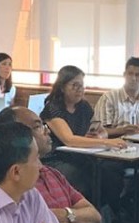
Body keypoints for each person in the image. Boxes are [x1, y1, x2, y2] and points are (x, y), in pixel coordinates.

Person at [0, 106, 102, 223]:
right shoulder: (17, 185)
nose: (47, 131)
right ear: (17, 136)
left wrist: (64, 214)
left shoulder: (53, 174)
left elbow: (95, 216)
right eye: (38, 127)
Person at [40, 65, 126, 199]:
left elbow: (101, 130)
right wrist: (106, 142)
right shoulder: (53, 108)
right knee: (79, 174)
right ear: (62, 87)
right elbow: (69, 139)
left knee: (111, 169)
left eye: (81, 85)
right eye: (75, 85)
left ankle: (111, 207)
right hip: (58, 157)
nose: (79, 89)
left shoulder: (84, 106)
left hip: (81, 154)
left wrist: (99, 136)